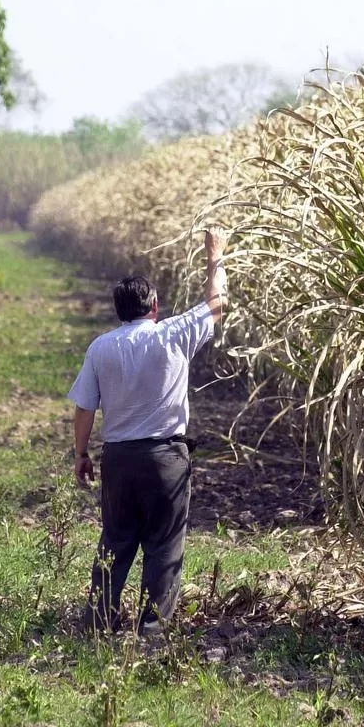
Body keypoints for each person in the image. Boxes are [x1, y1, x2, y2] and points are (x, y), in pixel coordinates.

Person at [68, 226, 228, 633]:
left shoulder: (101, 347)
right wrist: (215, 258)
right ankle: (154, 630)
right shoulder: (174, 334)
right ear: (154, 305)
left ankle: (99, 620)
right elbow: (216, 304)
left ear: (118, 310)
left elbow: (85, 406)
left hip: (119, 459)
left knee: (116, 541)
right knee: (164, 544)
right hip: (166, 458)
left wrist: (81, 454)